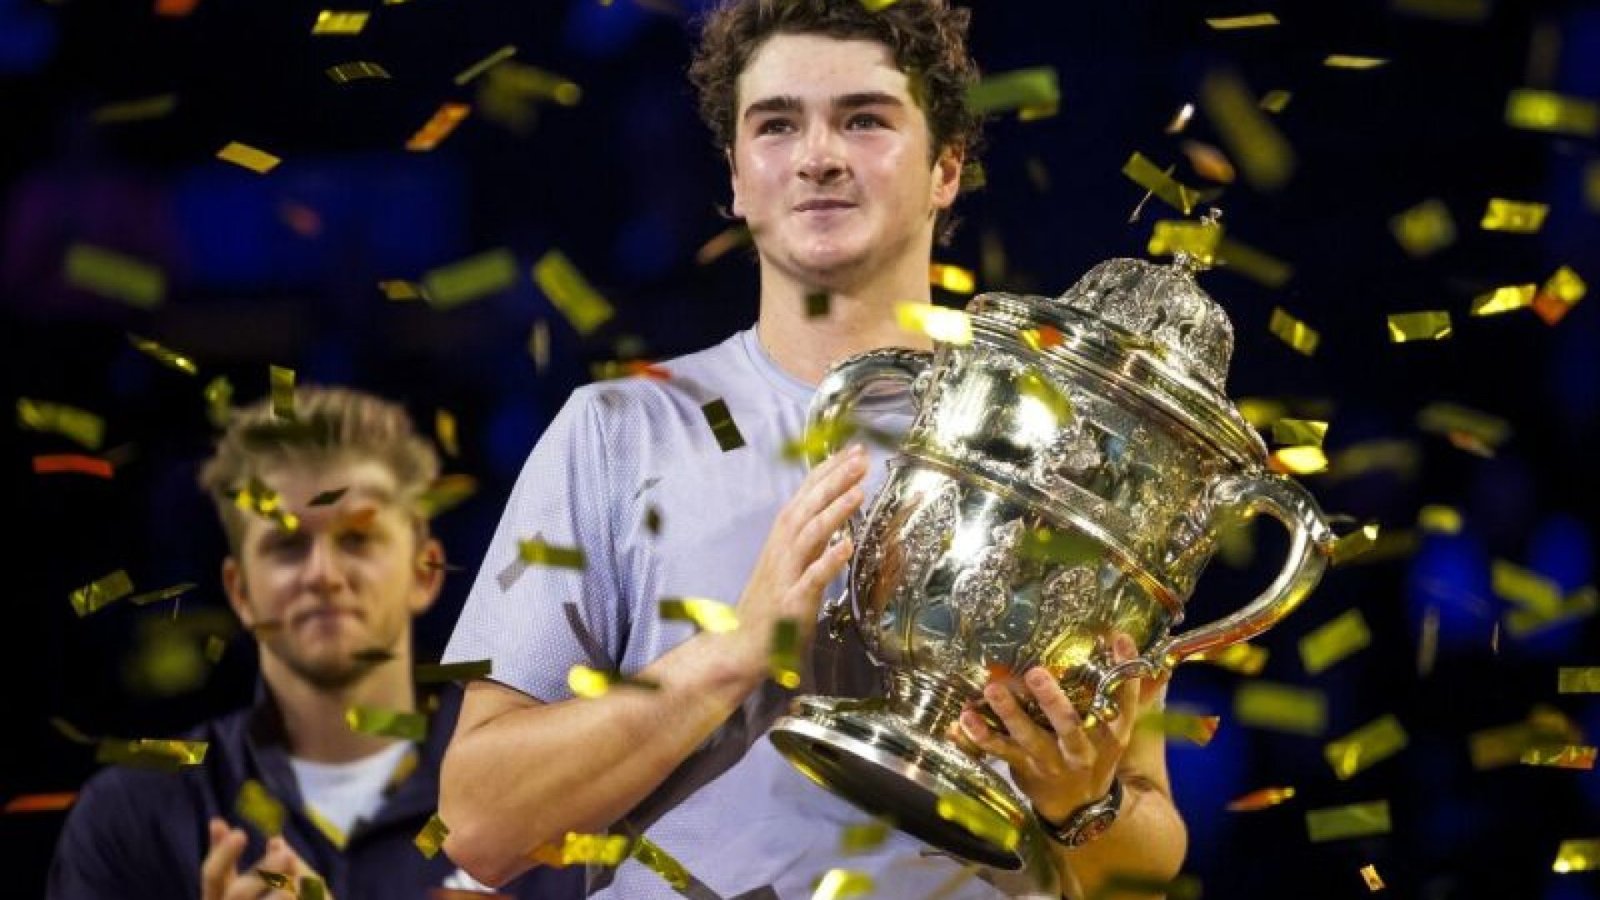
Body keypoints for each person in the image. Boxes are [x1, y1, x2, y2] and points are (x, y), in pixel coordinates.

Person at [438, 1, 1187, 897]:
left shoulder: (1068, 448)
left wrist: (1080, 802)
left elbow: (1148, 864)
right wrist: (732, 652)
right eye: (777, 123)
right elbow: (478, 825)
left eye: (865, 119)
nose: (819, 155)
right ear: (736, 177)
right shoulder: (617, 431)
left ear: (947, 165)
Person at [48, 386, 582, 899]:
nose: (323, 573)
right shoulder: (135, 817)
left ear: (426, 569)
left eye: (357, 537)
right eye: (286, 544)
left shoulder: (543, 800)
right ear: (240, 591)